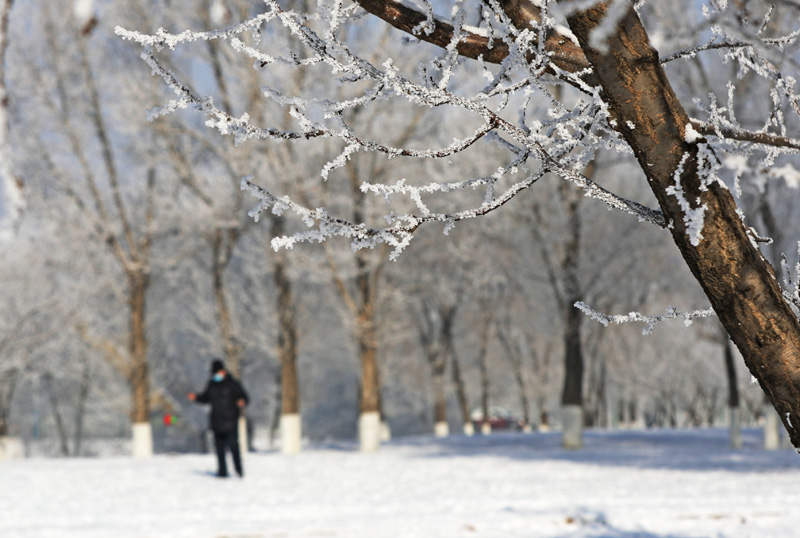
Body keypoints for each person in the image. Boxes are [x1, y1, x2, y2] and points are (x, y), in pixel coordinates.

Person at [189, 359, 249, 478]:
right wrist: (196, 397)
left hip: (231, 421)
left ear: (223, 371)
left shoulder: (233, 384)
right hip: (216, 422)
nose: (216, 375)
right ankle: (222, 472)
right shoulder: (212, 384)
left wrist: (242, 401)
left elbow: (245, 397)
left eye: (217, 372)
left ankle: (239, 471)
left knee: (233, 447)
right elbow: (206, 398)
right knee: (219, 449)